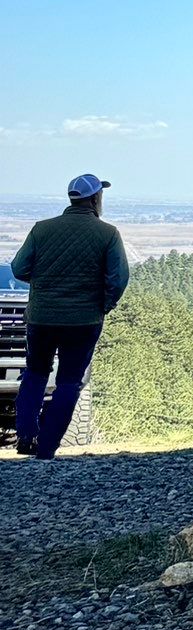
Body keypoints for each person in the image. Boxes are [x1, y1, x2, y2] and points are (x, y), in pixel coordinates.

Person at [9, 173, 130, 458]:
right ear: (95, 198)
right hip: (83, 321)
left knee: (35, 373)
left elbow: (19, 268)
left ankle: (26, 435)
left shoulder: (42, 229)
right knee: (69, 382)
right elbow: (118, 279)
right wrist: (104, 305)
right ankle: (46, 448)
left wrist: (45, 285)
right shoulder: (108, 234)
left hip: (41, 318)